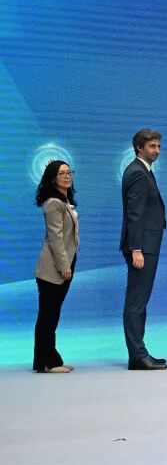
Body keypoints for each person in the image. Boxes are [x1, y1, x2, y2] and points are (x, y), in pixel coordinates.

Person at [120, 129, 167, 370]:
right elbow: (135, 214)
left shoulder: (143, 170)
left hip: (147, 244)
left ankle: (140, 351)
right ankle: (137, 355)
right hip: (142, 246)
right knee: (137, 301)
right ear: (139, 148)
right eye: (152, 146)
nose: (157, 150)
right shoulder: (138, 173)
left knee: (140, 300)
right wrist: (136, 248)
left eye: (158, 146)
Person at [33, 160, 79, 373]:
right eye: (61, 173)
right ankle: (46, 362)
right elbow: (55, 238)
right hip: (53, 269)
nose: (67, 176)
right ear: (52, 178)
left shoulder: (64, 201)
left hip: (64, 264)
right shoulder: (53, 203)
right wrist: (64, 265)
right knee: (47, 316)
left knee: (52, 315)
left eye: (69, 172)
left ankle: (50, 358)